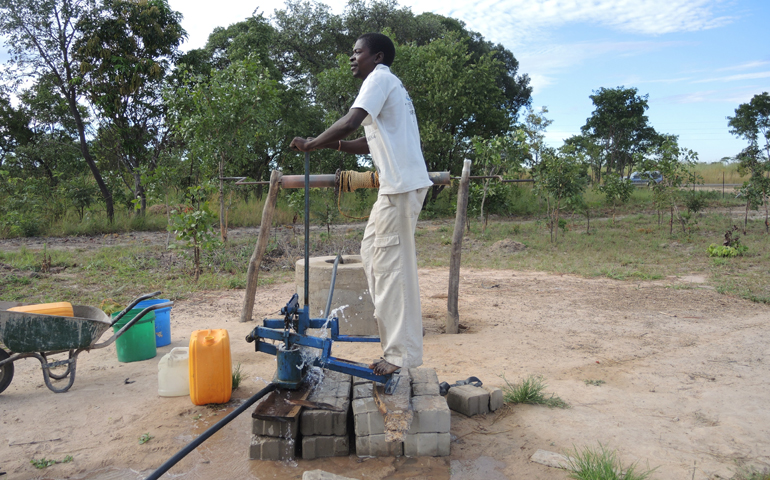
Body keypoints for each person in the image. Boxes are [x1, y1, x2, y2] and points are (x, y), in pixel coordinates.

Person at [290, 33, 433, 376]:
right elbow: (365, 142)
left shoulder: (379, 78)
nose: (352, 58)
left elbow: (351, 121)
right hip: (397, 188)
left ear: (377, 56)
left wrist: (311, 143)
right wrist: (331, 146)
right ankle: (399, 349)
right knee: (373, 254)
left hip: (399, 189)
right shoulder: (388, 85)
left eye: (358, 52)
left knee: (391, 270)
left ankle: (400, 357)